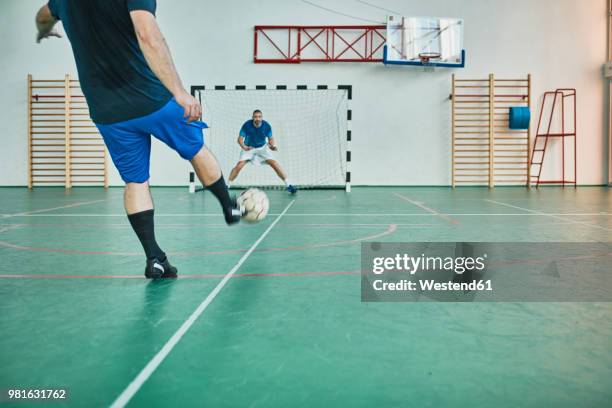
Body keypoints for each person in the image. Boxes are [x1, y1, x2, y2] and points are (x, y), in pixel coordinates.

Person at [35, 0, 241, 279]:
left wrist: (43, 30)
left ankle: (154, 258)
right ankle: (228, 207)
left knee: (135, 181)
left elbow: (42, 15)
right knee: (195, 148)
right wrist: (179, 92)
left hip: (107, 110)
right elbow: (148, 34)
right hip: (150, 98)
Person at [228, 110, 297, 194]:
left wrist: (272, 146)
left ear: (262, 118)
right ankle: (227, 185)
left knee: (275, 164)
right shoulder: (246, 125)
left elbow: (271, 138)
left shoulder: (266, 126)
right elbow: (239, 140)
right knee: (239, 166)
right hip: (249, 148)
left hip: (262, 148)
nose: (258, 118)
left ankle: (289, 185)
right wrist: (244, 147)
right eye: (256, 117)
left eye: (259, 116)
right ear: (253, 118)